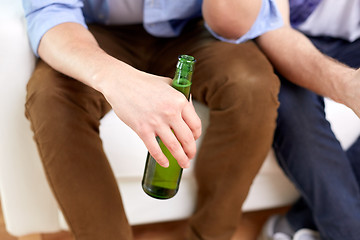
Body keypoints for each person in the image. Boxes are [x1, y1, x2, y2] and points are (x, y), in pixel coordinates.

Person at [22, 0, 283, 239]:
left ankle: (209, 235)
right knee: (52, 96)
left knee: (252, 87)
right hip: (90, 31)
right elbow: (50, 11)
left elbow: (237, 23)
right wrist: (116, 79)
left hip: (191, 30)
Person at [202, 0, 360, 240]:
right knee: (294, 110)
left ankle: (299, 221)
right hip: (282, 39)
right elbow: (272, 30)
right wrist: (349, 85)